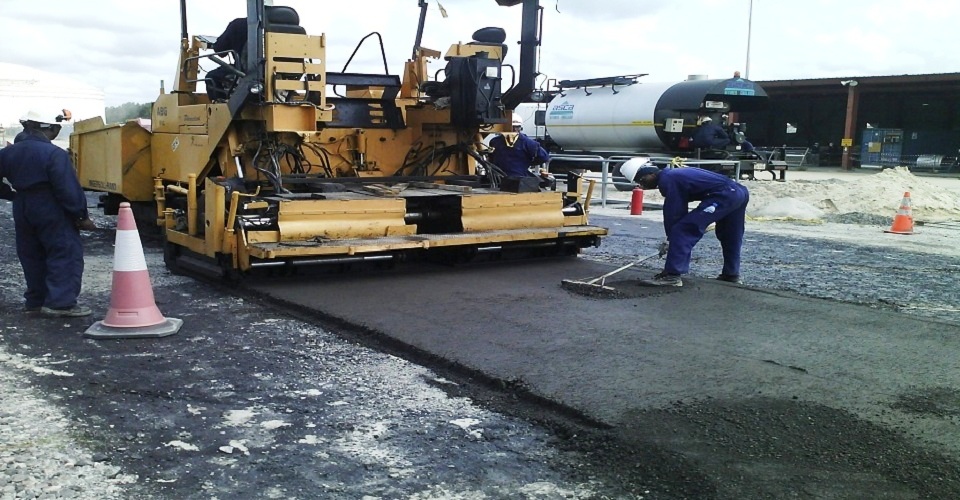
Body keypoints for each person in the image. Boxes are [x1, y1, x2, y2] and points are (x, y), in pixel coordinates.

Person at [0, 109, 96, 317]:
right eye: (56, 128)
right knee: (63, 251)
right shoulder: (54, 154)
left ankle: (36, 301)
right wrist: (81, 216)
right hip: (50, 206)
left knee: (31, 253)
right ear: (48, 128)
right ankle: (60, 303)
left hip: (23, 205)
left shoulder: (7, 153)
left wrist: (11, 194)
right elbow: (68, 189)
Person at [619, 159, 750, 287]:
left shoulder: (668, 180)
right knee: (730, 235)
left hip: (725, 195)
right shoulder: (673, 175)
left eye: (641, 180)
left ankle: (672, 275)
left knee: (682, 230)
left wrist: (671, 238)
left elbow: (675, 211)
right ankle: (731, 274)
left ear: (651, 174)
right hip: (739, 192)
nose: (641, 186)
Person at [488, 116, 553, 189]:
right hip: (519, 181)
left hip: (498, 180)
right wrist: (529, 162)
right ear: (520, 127)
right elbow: (544, 157)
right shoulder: (528, 143)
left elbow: (491, 159)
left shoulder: (495, 142)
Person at [205, 17, 248, 101]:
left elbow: (220, 50)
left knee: (211, 77)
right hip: (275, 73)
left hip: (245, 71)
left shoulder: (237, 25)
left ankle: (221, 105)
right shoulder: (278, 23)